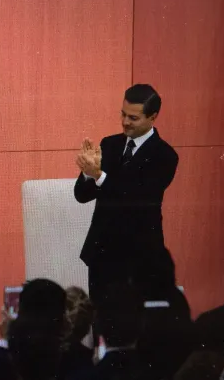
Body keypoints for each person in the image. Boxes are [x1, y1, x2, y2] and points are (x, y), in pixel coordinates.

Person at [74, 84, 179, 300]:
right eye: (123, 114)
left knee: (134, 326)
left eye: (133, 118)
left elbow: (137, 199)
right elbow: (82, 196)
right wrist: (87, 173)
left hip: (140, 258)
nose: (125, 122)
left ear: (153, 117)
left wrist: (99, 176)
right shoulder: (109, 144)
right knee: (99, 323)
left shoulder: (165, 156)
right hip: (101, 254)